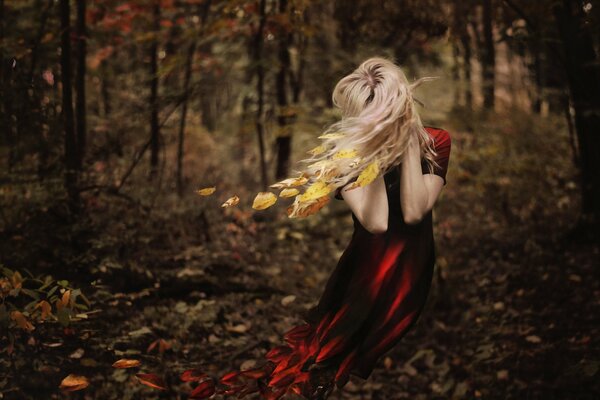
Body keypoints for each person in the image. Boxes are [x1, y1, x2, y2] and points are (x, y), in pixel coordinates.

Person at [192, 57, 451, 399]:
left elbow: (416, 211)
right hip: (366, 275)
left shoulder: (435, 141)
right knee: (317, 362)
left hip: (409, 273)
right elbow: (377, 222)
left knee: (341, 358)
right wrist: (369, 153)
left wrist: (407, 143)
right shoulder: (344, 159)